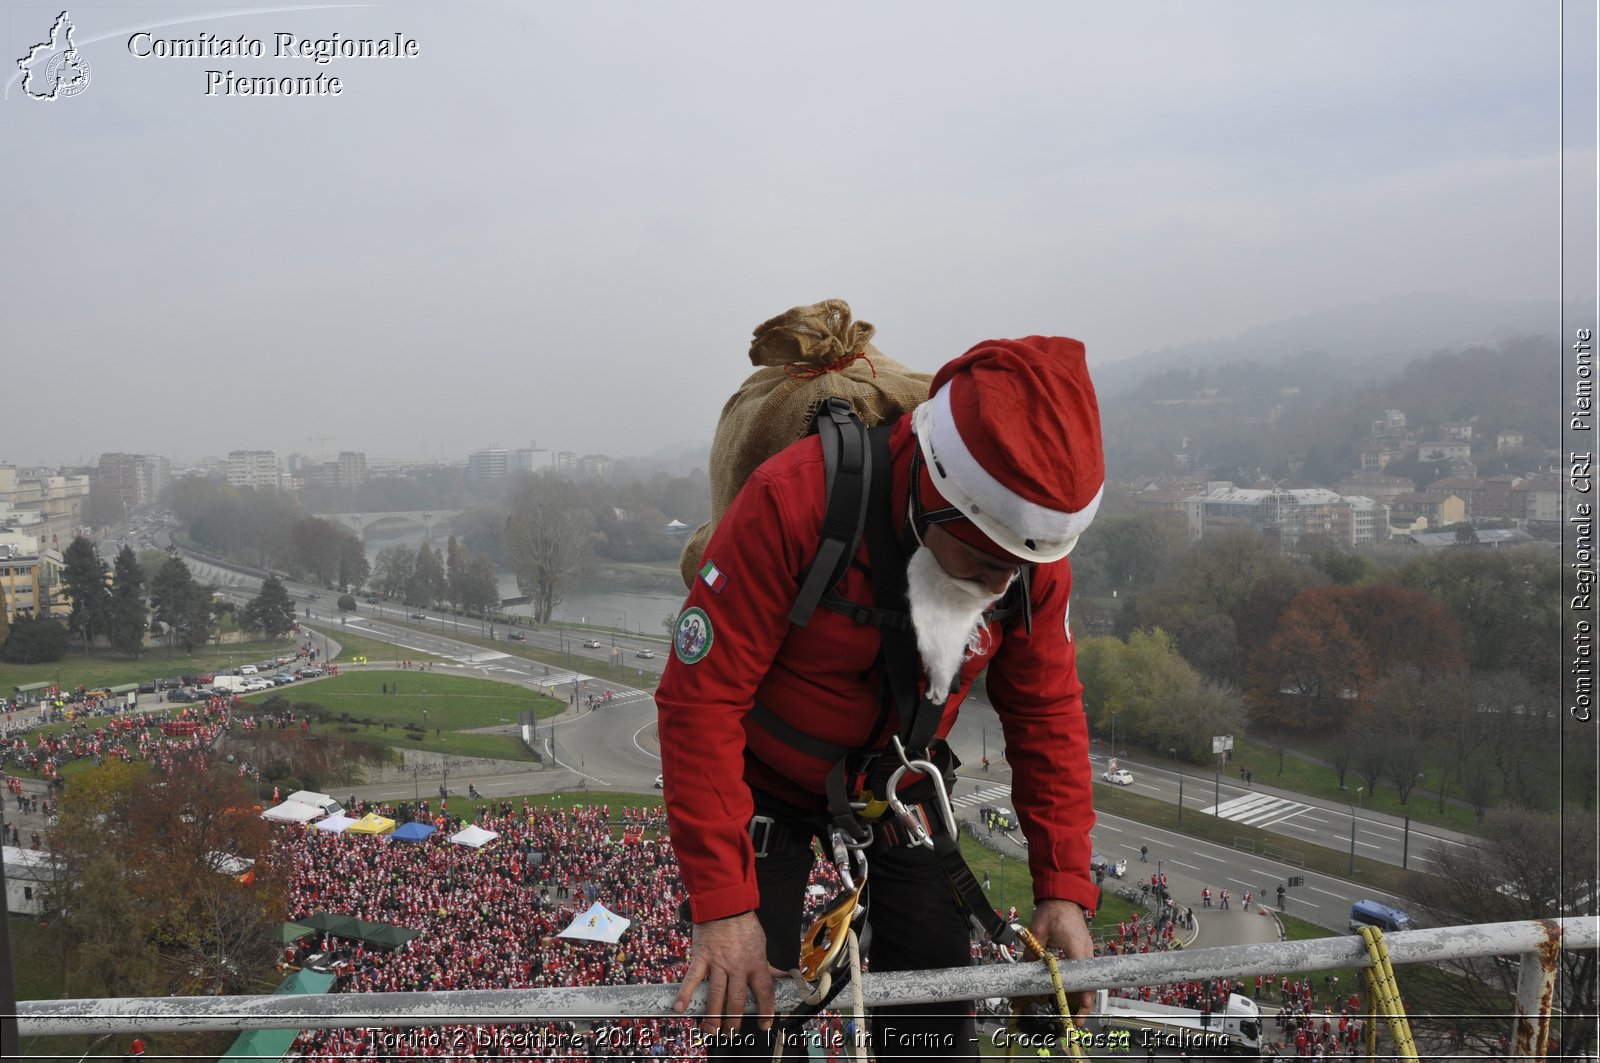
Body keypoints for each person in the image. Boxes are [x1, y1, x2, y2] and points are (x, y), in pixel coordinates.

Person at [657, 337, 1105, 1057]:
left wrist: (1063, 888)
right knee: (740, 1014)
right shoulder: (792, 500)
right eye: (987, 562)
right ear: (934, 490)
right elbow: (698, 700)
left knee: (936, 1022)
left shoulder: (1025, 562)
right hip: (765, 777)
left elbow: (1046, 708)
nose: (1001, 588)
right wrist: (725, 905)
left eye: (1021, 569)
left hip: (897, 778)